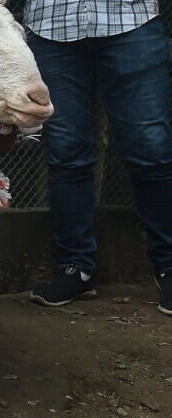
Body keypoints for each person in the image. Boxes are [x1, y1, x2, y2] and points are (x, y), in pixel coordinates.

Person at [24, 0, 172, 315]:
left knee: (151, 148)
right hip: (52, 24)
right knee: (66, 153)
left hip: (131, 18)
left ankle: (168, 265)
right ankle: (75, 267)